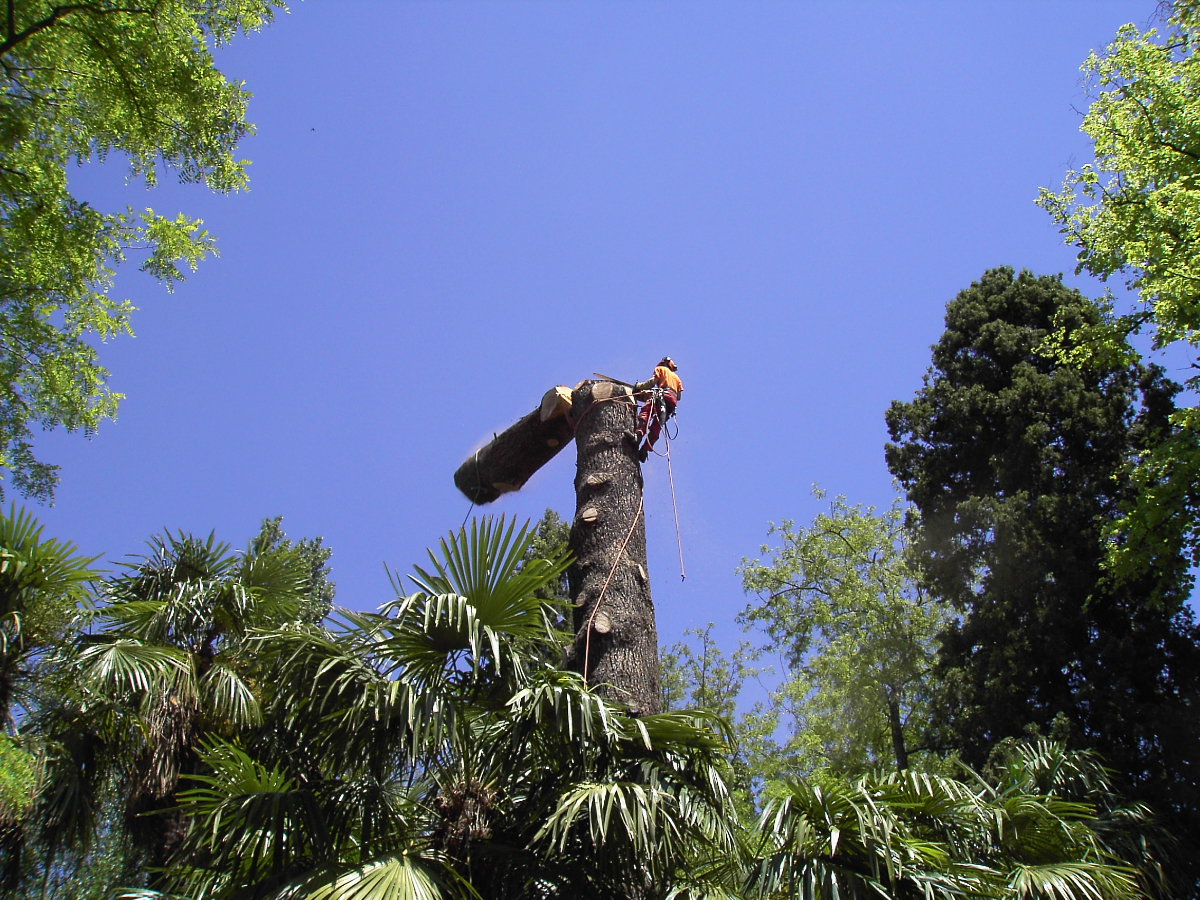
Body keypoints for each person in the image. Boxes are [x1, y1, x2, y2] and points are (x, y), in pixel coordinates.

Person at [633, 356, 683, 462]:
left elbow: (652, 382)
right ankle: (645, 450)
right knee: (658, 424)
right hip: (671, 403)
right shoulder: (677, 378)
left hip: (662, 396)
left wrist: (639, 386)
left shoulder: (661, 369)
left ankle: (638, 435)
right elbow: (678, 397)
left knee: (647, 410)